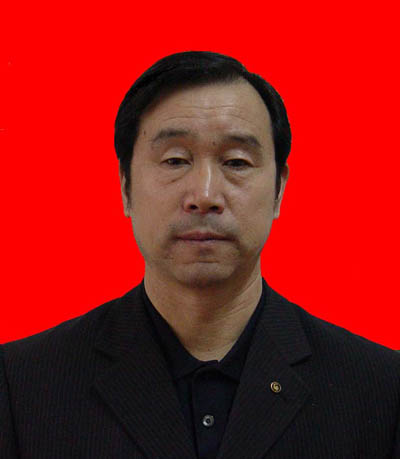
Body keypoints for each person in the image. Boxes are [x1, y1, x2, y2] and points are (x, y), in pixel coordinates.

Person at [1, 51, 399, 459]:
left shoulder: (381, 390)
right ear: (125, 187)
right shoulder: (23, 385)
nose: (204, 195)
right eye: (175, 160)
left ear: (279, 188)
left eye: (236, 162)